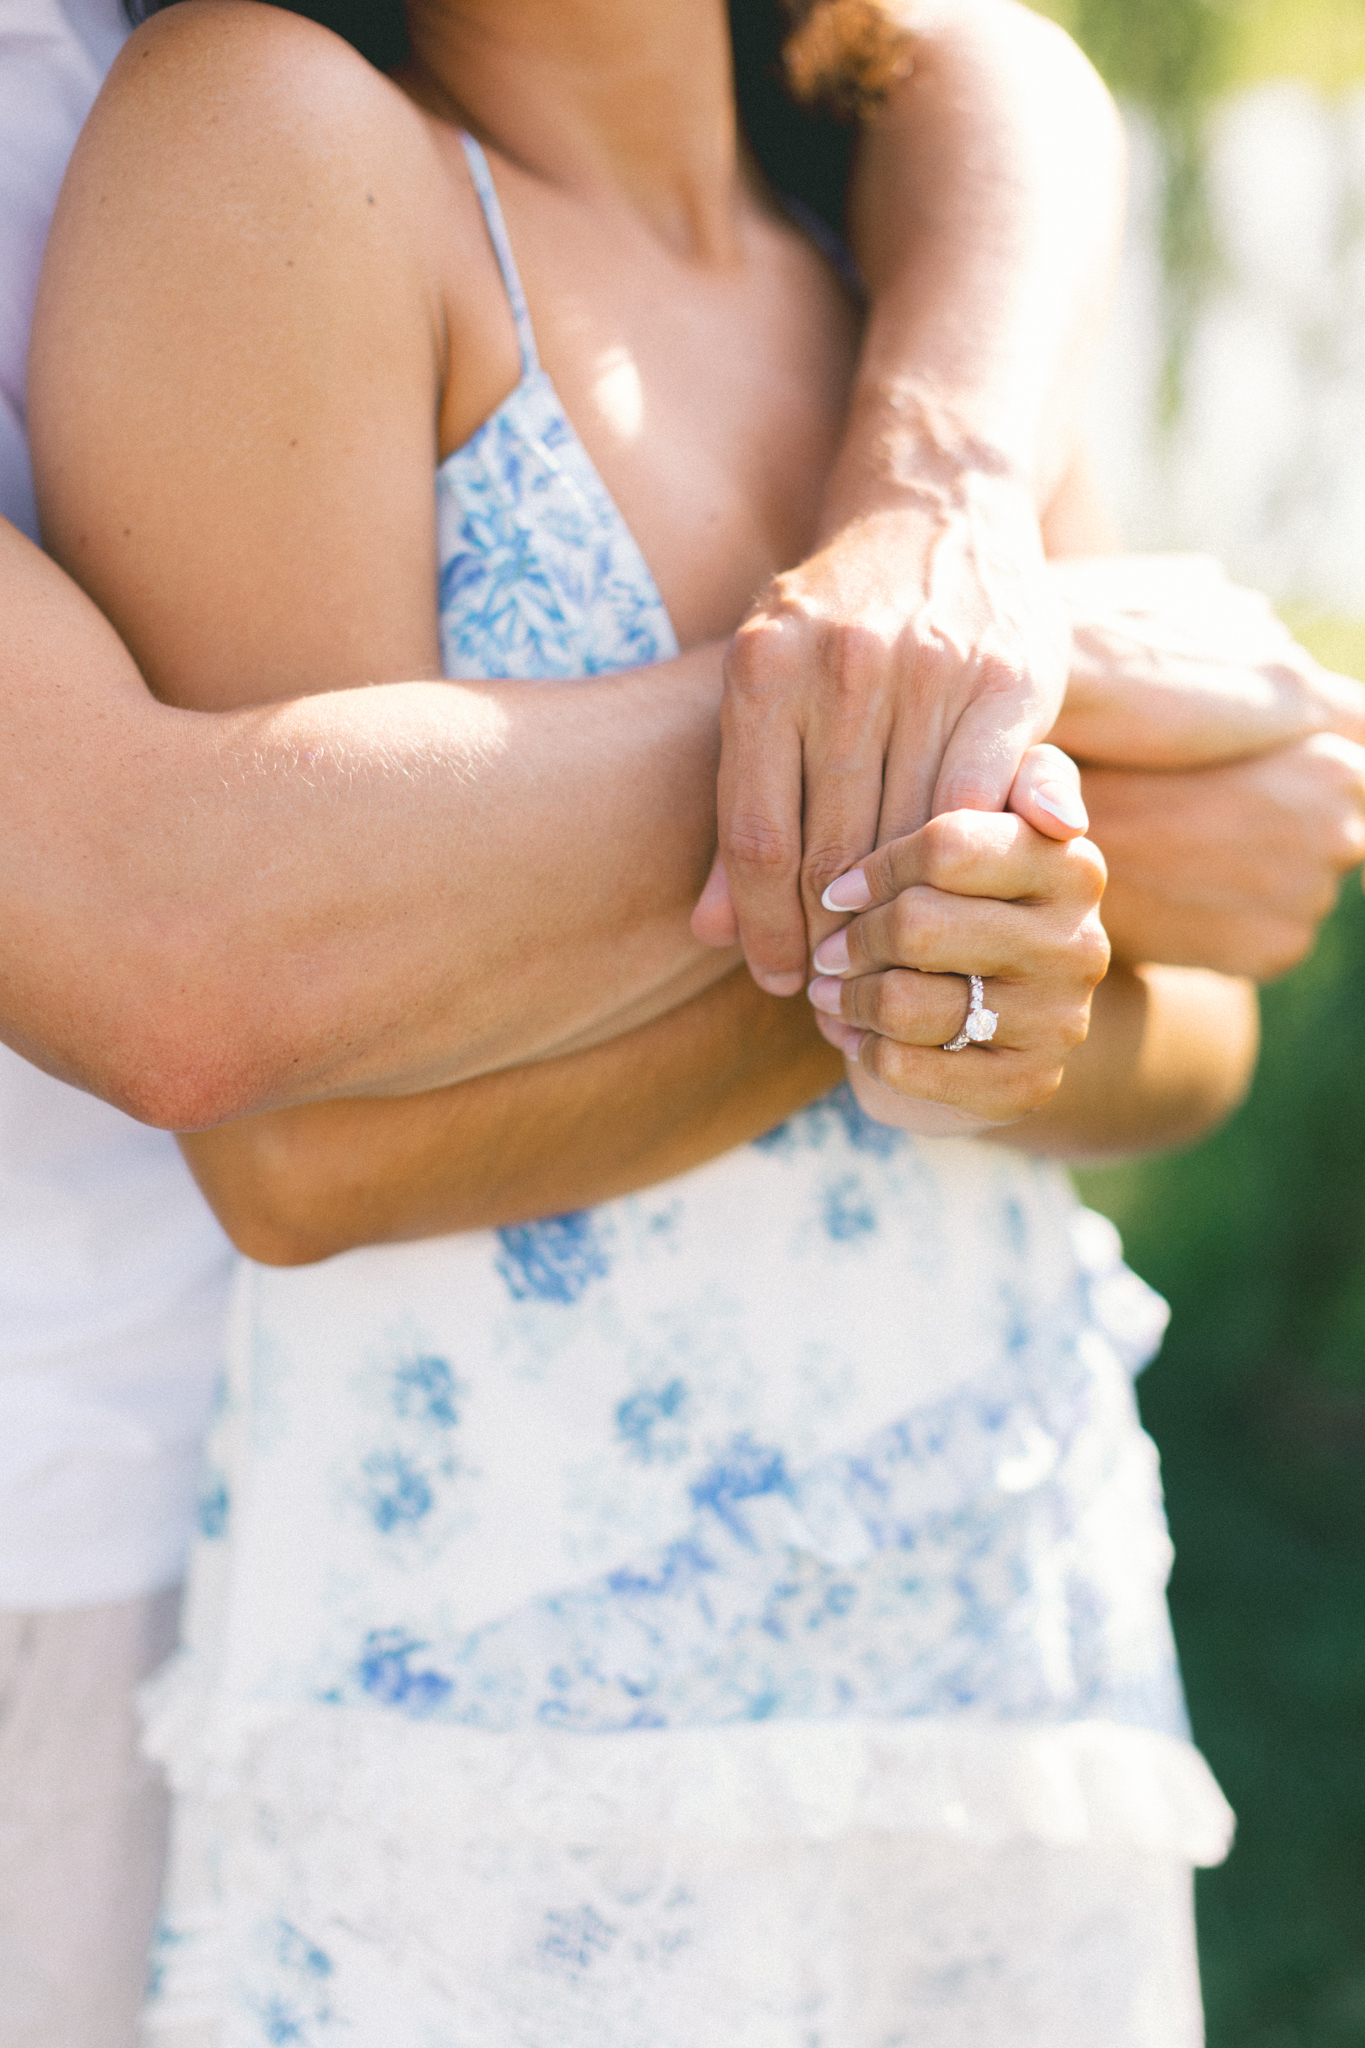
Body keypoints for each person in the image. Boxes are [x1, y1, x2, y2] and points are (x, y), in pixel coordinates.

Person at [31, 2, 1362, 2041]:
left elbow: (1178, 1025)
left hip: (990, 1655)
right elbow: (297, 1143)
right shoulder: (278, 148)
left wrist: (1023, 972)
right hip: (502, 1738)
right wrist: (911, 879)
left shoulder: (903, 240)